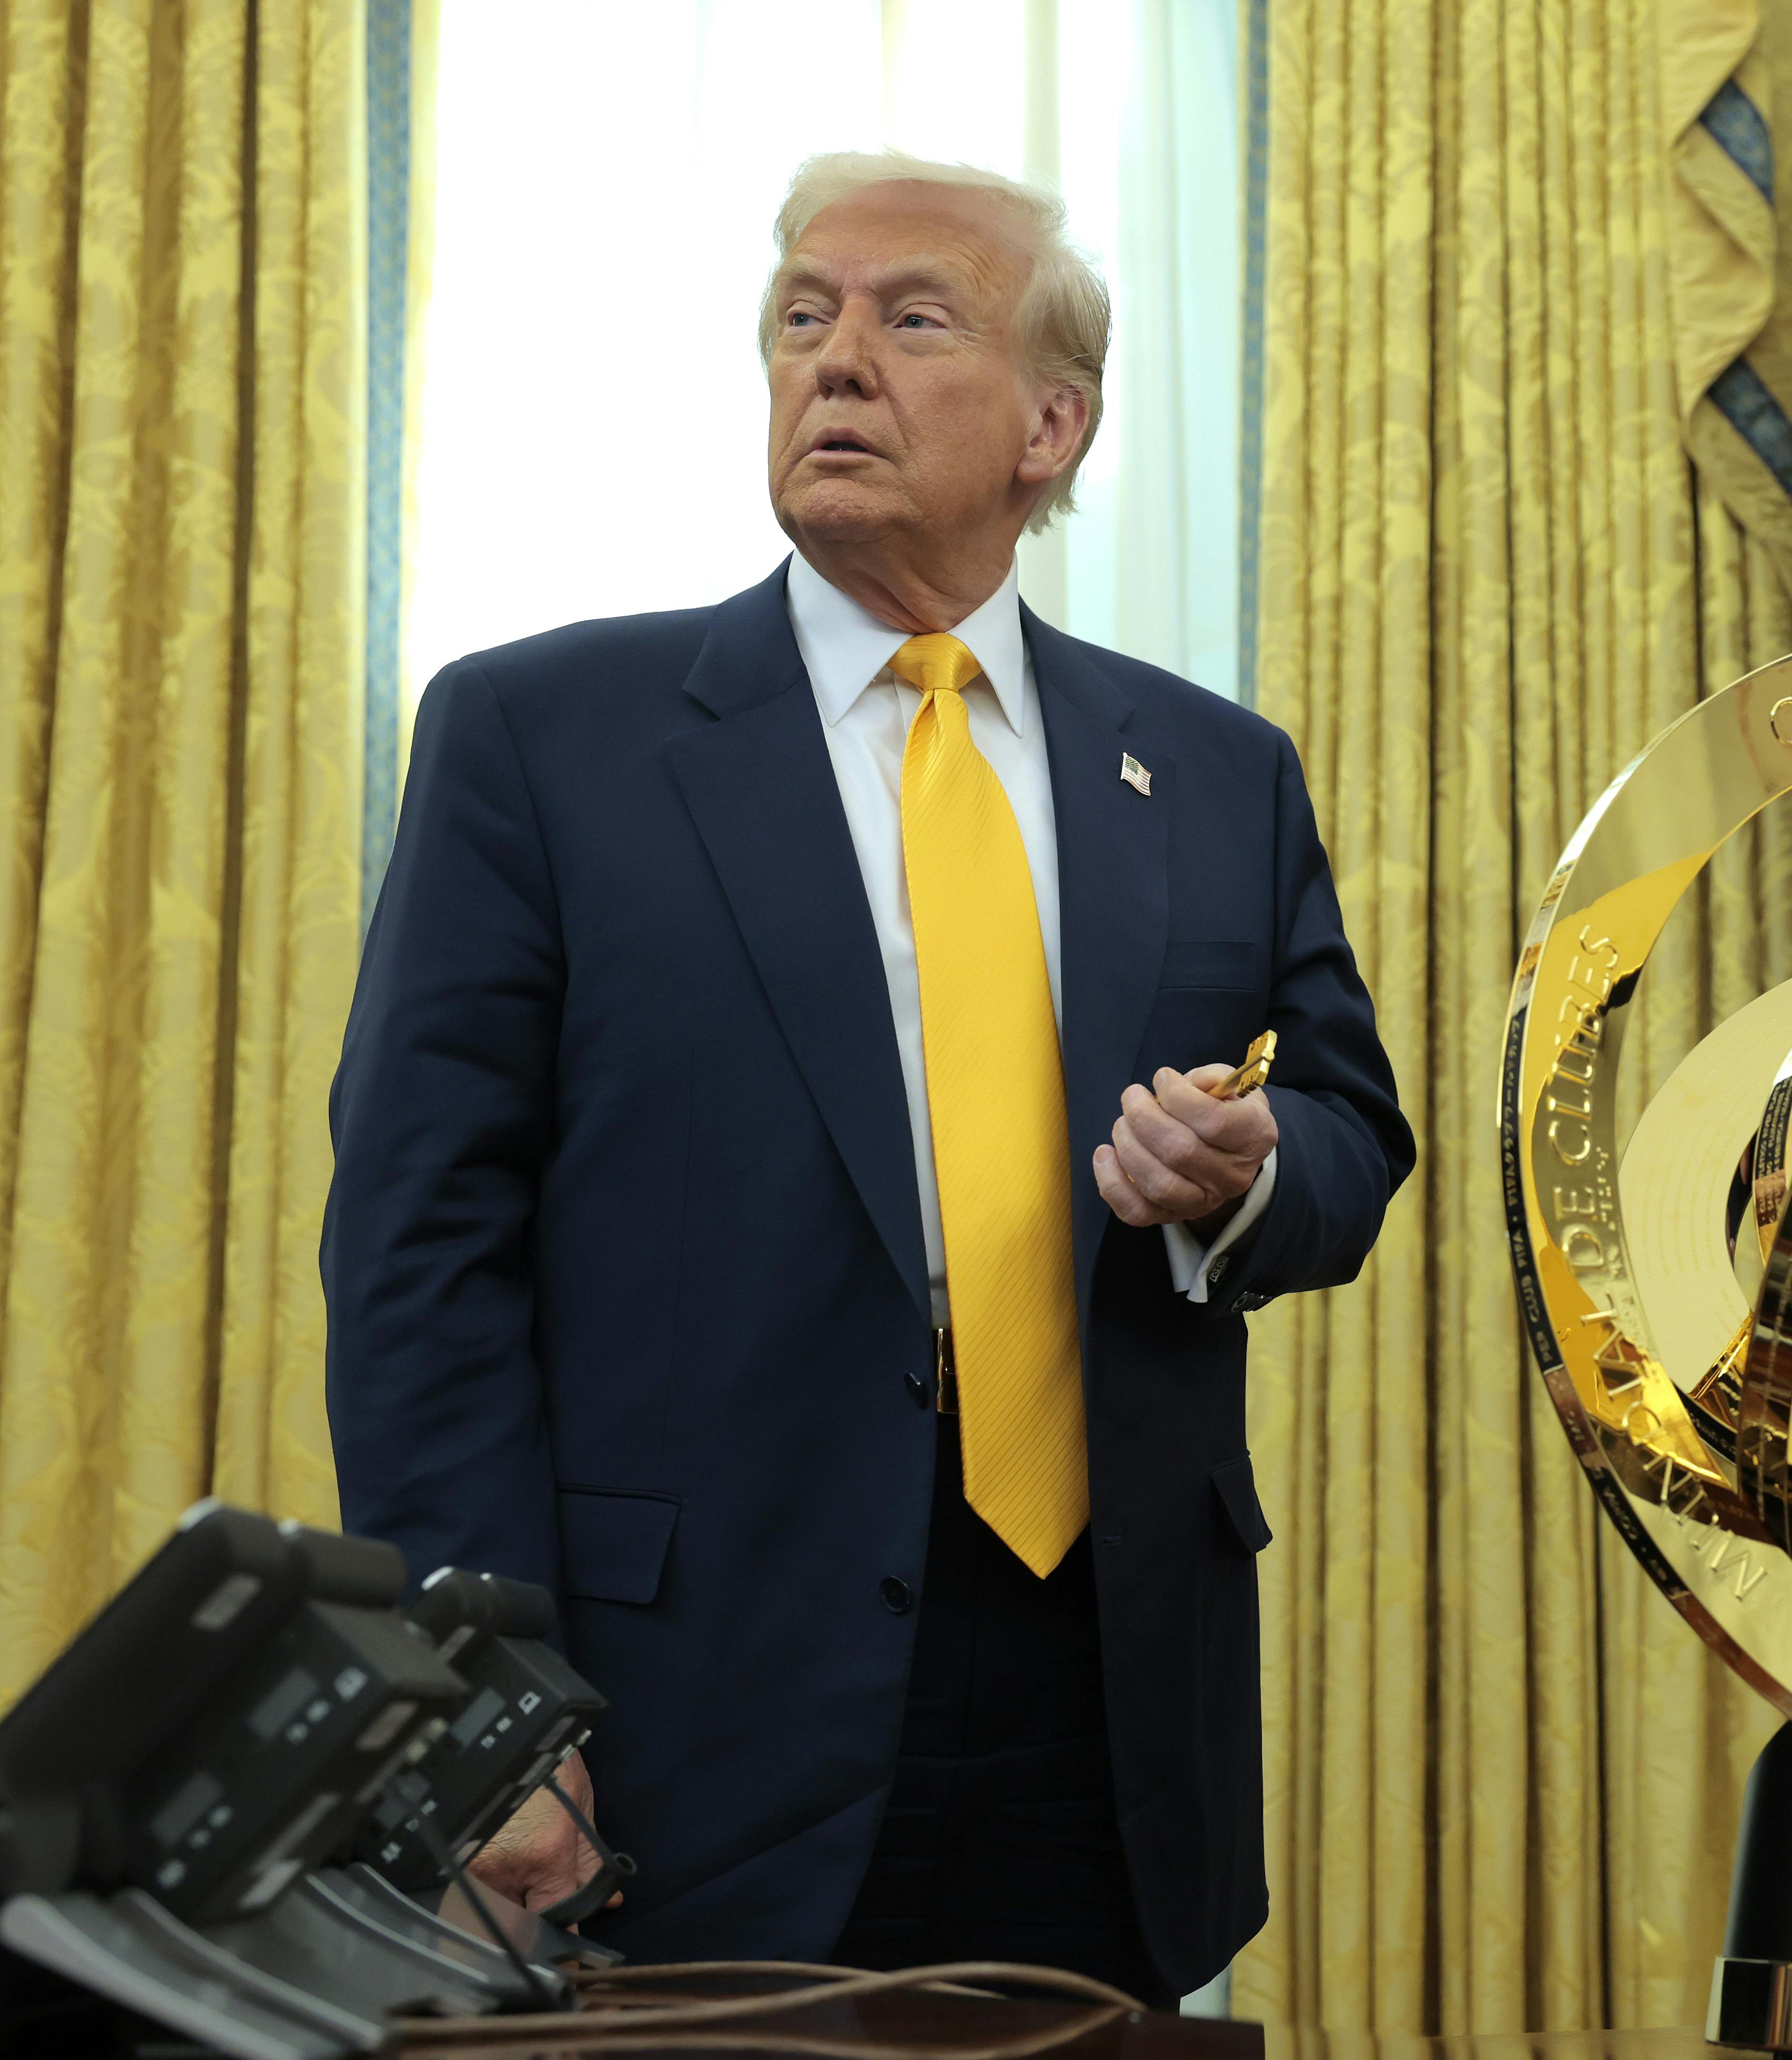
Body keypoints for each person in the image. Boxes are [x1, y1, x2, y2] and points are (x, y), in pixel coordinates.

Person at [323, 151, 1412, 1999]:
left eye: (914, 321)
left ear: (1054, 424)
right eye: (801, 321)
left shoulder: (1215, 770)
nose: (835, 362)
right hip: (680, 1712)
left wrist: (1246, 1175)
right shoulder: (539, 738)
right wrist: (486, 1715)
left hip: (1108, 1707)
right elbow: (420, 1258)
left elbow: (1349, 1132)